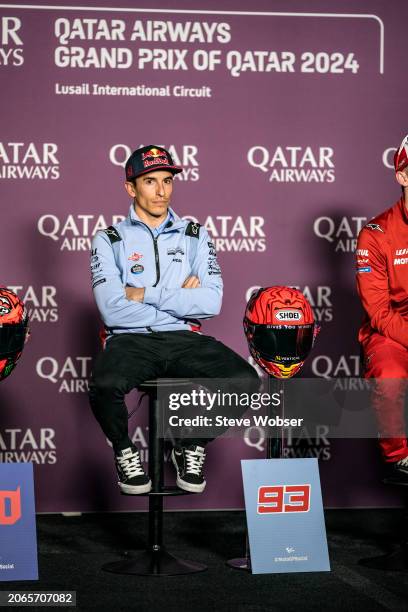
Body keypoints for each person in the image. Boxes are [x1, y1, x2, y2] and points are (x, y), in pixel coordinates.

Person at [88, 145, 259, 495]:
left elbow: (210, 302)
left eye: (167, 181)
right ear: (131, 188)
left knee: (245, 380)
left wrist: (142, 292)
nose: (161, 190)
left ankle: (189, 445)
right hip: (130, 339)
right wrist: (181, 296)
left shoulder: (195, 235)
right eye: (150, 181)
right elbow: (111, 308)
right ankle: (124, 452)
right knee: (105, 386)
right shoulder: (109, 238)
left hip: (183, 338)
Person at [356, 134, 408, 482]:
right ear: (402, 175)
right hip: (392, 331)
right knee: (390, 376)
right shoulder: (375, 233)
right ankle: (401, 456)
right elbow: (379, 313)